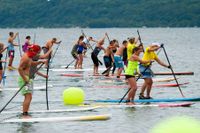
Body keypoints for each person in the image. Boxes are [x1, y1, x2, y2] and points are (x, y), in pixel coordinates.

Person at [18, 44, 45, 117]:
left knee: (29, 96)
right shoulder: (26, 57)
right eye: (37, 52)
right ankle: (25, 114)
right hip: (24, 79)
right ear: (33, 51)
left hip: (27, 78)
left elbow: (31, 63)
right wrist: (25, 79)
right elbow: (19, 69)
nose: (37, 54)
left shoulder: (28, 56)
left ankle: (25, 111)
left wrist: (40, 62)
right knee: (28, 96)